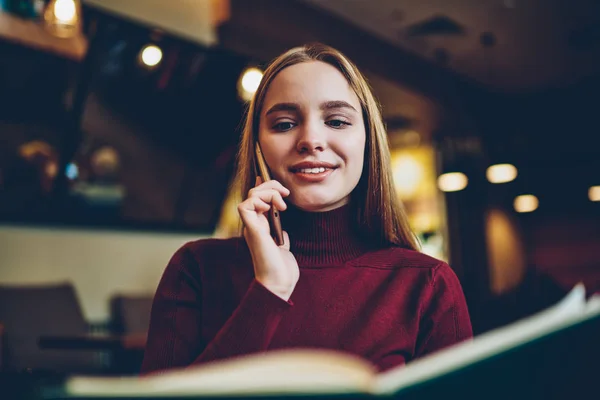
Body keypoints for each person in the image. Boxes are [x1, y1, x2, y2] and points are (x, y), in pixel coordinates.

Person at [141, 43, 472, 374]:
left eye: (337, 121)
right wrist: (269, 292)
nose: (311, 139)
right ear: (257, 147)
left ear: (368, 140)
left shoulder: (428, 284)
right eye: (284, 124)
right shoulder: (195, 268)